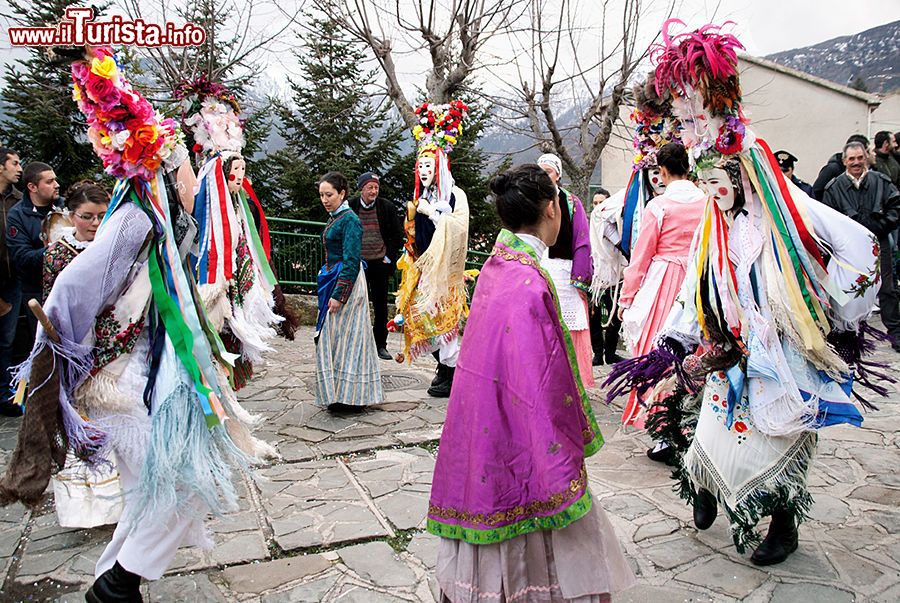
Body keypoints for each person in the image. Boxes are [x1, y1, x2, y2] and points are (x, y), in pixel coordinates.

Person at [0, 46, 276, 601]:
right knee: (176, 483)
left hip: (141, 371)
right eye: (181, 165)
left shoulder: (149, 215)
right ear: (156, 164)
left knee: (156, 486)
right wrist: (54, 355)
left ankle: (114, 583)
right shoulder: (131, 220)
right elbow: (76, 288)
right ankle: (118, 585)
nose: (189, 176)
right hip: (117, 380)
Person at [609, 20, 880, 567]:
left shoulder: (776, 202)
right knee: (713, 426)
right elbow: (697, 281)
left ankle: (784, 524)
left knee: (781, 433)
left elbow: (852, 244)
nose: (713, 190)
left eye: (720, 178)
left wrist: (833, 311)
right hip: (735, 340)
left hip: (784, 343)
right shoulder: (714, 223)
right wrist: (679, 338)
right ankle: (705, 488)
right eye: (706, 180)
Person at [428, 164, 635, 602]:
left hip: (487, 418)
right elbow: (542, 374)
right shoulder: (527, 282)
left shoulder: (499, 267)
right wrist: (559, 435)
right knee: (535, 499)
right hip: (522, 425)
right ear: (552, 208)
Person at [175, 77, 282, 390]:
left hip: (238, 260)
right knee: (217, 314)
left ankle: (231, 370)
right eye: (234, 174)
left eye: (242, 173)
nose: (239, 179)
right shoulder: (212, 202)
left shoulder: (238, 208)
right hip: (217, 269)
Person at [618, 142, 706, 448]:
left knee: (659, 349)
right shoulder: (706, 201)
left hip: (665, 279)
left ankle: (661, 426)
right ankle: (691, 422)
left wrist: (627, 297)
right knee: (694, 352)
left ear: (663, 172)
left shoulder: (659, 206)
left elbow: (641, 256)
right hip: (698, 280)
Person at [394, 101, 470, 397]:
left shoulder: (455, 196)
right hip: (423, 266)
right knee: (425, 318)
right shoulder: (420, 195)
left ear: (439, 166)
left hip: (445, 271)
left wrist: (431, 213)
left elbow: (459, 229)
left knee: (444, 319)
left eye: (429, 165)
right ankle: (443, 365)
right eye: (420, 166)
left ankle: (451, 370)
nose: (424, 171)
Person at [315, 171, 383, 412]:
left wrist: (339, 295)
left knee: (350, 339)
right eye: (322, 195)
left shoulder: (350, 220)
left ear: (342, 194)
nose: (324, 199)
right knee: (337, 339)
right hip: (337, 279)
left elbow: (352, 260)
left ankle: (352, 397)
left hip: (349, 285)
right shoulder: (336, 217)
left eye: (329, 194)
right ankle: (340, 394)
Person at [823, 141, 900, 350]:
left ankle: (895, 331)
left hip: (878, 243)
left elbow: (896, 207)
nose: (856, 163)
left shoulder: (881, 181)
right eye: (851, 159)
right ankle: (843, 330)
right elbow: (828, 220)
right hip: (847, 250)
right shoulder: (833, 188)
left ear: (866, 157)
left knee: (887, 287)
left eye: (860, 158)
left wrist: (879, 226)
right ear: (844, 161)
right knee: (842, 288)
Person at [537, 153, 595, 389]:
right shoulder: (530, 201)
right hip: (538, 268)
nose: (543, 176)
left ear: (558, 175)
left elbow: (582, 240)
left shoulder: (571, 203)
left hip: (563, 272)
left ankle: (570, 381)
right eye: (539, 171)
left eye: (548, 171)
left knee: (569, 327)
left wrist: (580, 278)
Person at [349, 171, 404, 360]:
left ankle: (380, 345)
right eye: (370, 187)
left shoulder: (386, 207)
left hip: (380, 263)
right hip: (357, 264)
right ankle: (356, 343)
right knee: (355, 303)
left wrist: (388, 257)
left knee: (380, 306)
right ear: (361, 189)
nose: (373, 191)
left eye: (376, 187)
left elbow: (397, 235)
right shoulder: (351, 206)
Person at [6, 163, 64, 334]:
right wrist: (59, 249)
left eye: (56, 180)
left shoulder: (65, 206)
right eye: (49, 181)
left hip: (67, 286)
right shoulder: (18, 216)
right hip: (37, 291)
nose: (57, 185)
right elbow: (22, 257)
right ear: (32, 187)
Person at [42, 182, 109, 299]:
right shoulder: (56, 253)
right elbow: (51, 300)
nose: (96, 223)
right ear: (72, 216)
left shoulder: (114, 244)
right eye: (87, 217)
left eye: (102, 216)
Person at [588, 186, 624, 366]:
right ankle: (597, 353)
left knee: (615, 315)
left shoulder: (618, 225)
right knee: (593, 317)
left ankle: (610, 352)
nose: (597, 206)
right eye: (595, 203)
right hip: (596, 277)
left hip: (616, 276)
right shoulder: (592, 226)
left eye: (601, 203)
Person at [0, 148, 22, 416]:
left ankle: (5, 394)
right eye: (14, 163)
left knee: (7, 340)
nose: (19, 168)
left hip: (12, 279)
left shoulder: (18, 201)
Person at [812, 134, 869, 200]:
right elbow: (816, 193)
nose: (871, 154)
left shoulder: (872, 176)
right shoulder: (832, 170)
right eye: (867, 151)